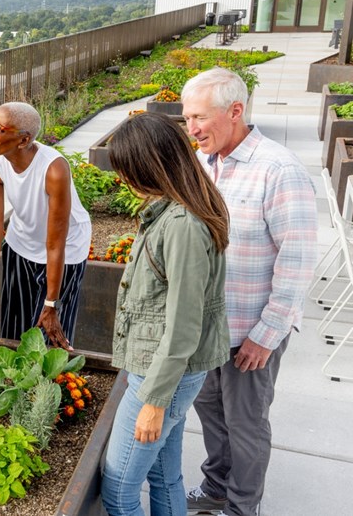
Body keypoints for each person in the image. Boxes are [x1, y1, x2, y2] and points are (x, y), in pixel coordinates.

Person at [181, 67, 317, 516]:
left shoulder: (278, 170)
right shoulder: (203, 163)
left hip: (249, 332)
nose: (191, 128)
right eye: (186, 118)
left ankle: (242, 507)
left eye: (199, 117)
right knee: (212, 419)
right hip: (205, 329)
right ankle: (217, 487)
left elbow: (296, 261)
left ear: (235, 111)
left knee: (245, 426)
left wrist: (267, 333)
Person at [100, 112, 232, 516]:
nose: (122, 179)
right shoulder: (175, 210)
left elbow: (182, 325)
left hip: (163, 377)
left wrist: (153, 401)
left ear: (149, 165)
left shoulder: (181, 226)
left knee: (119, 492)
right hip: (162, 370)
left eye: (126, 169)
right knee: (164, 476)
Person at [0, 102, 91, 349]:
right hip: (21, 244)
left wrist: (52, 303)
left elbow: (55, 245)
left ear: (23, 141)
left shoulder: (53, 170)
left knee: (50, 340)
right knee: (14, 334)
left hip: (65, 251)